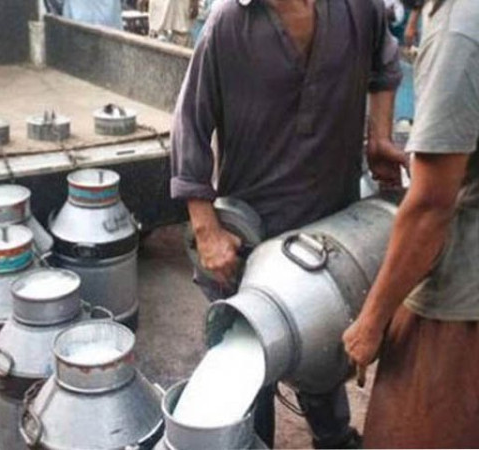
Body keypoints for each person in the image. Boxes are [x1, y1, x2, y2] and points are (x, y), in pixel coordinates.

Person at [171, 0, 405, 448]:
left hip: (330, 230)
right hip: (251, 236)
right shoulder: (230, 22)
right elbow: (190, 122)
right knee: (251, 362)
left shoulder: (358, 9)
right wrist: (206, 230)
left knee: (325, 347)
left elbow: (385, 64)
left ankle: (333, 438)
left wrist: (379, 136)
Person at [343, 0, 479, 447]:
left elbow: (430, 207)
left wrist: (371, 321)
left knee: (404, 432)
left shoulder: (460, 30)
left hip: (461, 296)